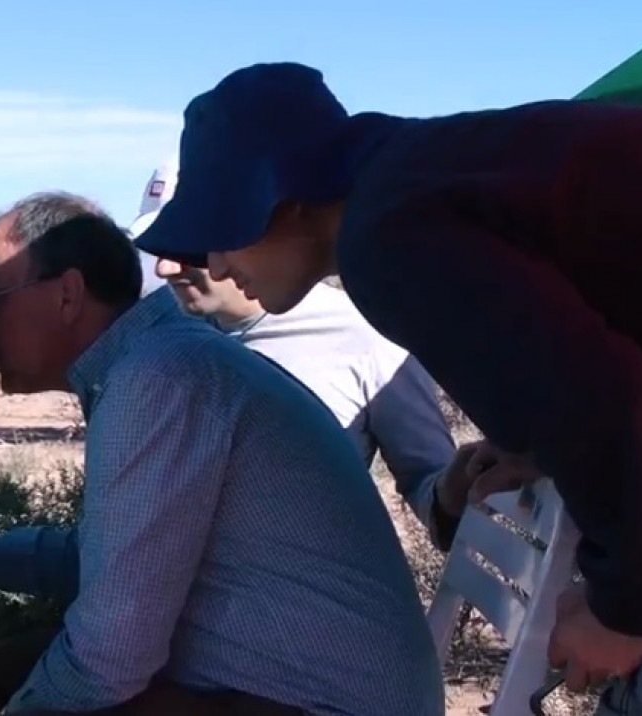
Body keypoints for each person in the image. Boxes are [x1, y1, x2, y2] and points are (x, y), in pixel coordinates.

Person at [132, 61, 642, 716]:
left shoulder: (387, 233)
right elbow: (620, 354)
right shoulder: (418, 180)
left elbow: (603, 403)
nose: (214, 262)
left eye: (223, 230)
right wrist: (537, 446)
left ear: (291, 198)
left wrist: (626, 607)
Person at [0, 191, 444, 715]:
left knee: (31, 677)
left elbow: (110, 655)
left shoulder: (158, 381)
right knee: (14, 665)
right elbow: (102, 557)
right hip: (309, 686)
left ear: (66, 295)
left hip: (321, 704)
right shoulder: (158, 363)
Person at [131, 158, 460, 544]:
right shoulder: (159, 341)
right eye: (158, 246)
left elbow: (432, 489)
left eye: (185, 245)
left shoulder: (369, 336)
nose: (166, 268)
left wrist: (456, 493)